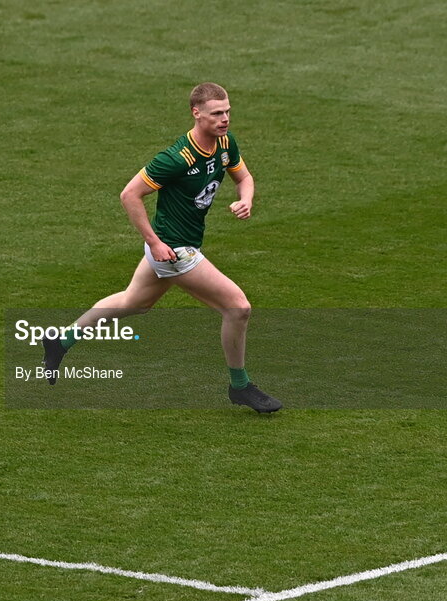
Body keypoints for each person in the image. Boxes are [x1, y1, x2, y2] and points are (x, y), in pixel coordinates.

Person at [42, 83, 282, 413]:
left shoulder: (225, 144)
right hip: (175, 251)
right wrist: (154, 243)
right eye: (216, 113)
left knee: (133, 303)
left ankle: (60, 340)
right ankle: (240, 386)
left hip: (175, 247)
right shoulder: (175, 158)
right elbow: (129, 195)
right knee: (238, 308)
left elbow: (244, 177)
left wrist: (246, 199)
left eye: (227, 111)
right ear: (196, 114)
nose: (225, 118)